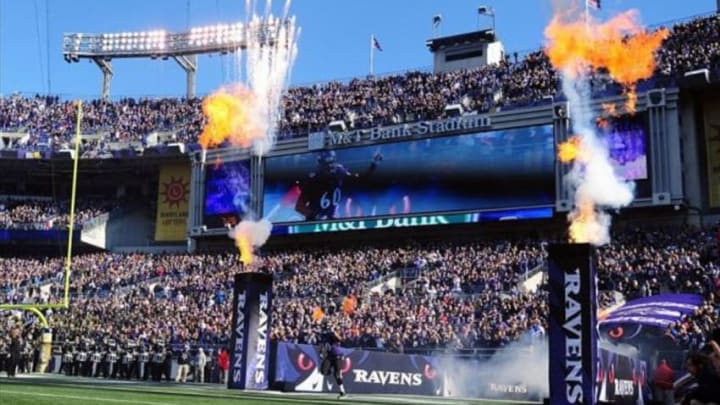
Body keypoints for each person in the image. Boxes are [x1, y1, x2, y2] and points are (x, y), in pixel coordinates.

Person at [294, 150, 382, 221]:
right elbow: (299, 206)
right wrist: (316, 216)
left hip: (332, 221)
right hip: (315, 224)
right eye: (328, 164)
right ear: (321, 165)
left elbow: (360, 181)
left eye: (332, 162)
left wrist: (373, 165)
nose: (331, 167)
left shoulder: (340, 172)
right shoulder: (313, 180)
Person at [319, 321, 347, 399]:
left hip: (338, 356)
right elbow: (323, 344)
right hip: (330, 356)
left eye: (324, 326)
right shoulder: (324, 335)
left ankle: (342, 392)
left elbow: (340, 339)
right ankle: (334, 373)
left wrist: (334, 332)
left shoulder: (333, 333)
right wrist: (321, 352)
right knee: (323, 370)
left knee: (337, 374)